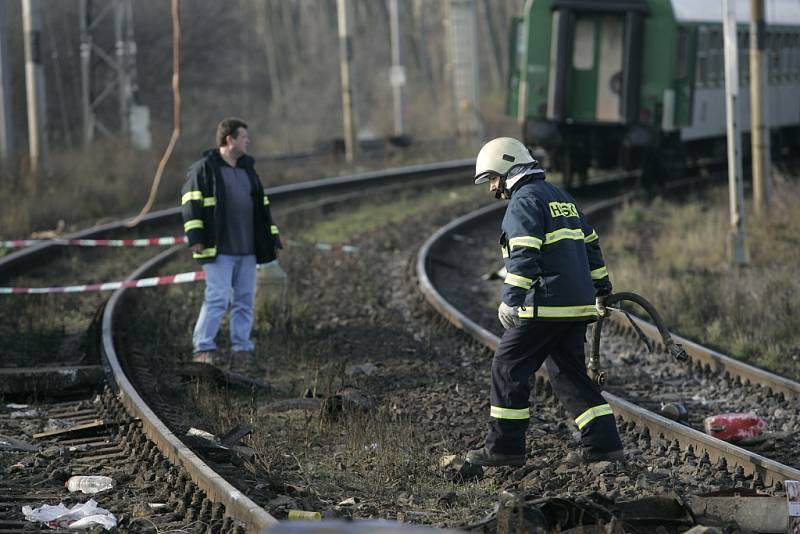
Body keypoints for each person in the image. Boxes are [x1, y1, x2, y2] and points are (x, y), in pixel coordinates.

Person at [466, 137, 624, 467]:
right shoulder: (563, 199)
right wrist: (601, 288)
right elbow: (591, 246)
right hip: (575, 307)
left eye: (493, 178)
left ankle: (504, 449)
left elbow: (524, 256)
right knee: (570, 376)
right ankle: (603, 446)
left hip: (545, 306)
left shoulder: (524, 202)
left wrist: (511, 300)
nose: (494, 189)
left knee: (507, 367)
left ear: (507, 168)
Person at [180, 118, 282, 365]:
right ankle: (203, 348)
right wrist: (195, 237)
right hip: (219, 250)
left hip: (247, 250)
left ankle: (242, 347)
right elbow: (190, 203)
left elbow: (261, 207)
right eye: (244, 137)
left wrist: (271, 238)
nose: (248, 141)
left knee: (245, 300)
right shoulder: (204, 168)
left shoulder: (248, 169)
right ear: (230, 139)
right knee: (218, 298)